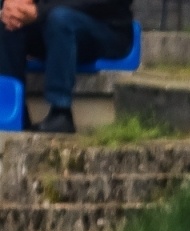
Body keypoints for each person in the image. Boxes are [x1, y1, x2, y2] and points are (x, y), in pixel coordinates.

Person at [0, 0, 131, 134]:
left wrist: (39, 11)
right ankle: (14, 112)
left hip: (105, 28)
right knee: (10, 20)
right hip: (51, 21)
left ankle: (60, 113)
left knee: (60, 19)